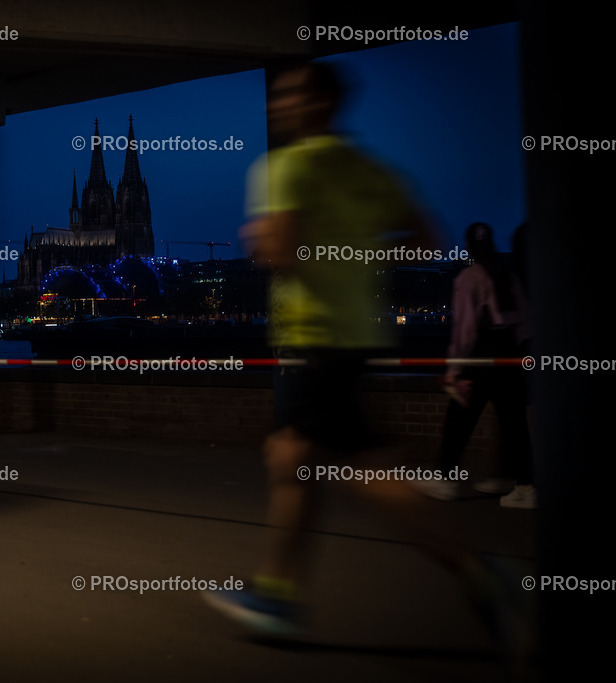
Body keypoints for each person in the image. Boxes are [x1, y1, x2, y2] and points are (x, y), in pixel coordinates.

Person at [201, 61, 530, 671]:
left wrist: (264, 239)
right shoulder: (373, 170)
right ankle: (276, 595)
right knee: (292, 459)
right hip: (358, 338)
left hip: (315, 338)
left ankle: (482, 575)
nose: (280, 104)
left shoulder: (286, 166)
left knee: (360, 474)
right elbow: (429, 240)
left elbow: (278, 252)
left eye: (292, 94)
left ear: (319, 103)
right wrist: (361, 256)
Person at [413, 222, 536, 508]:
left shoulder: (469, 277)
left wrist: (454, 370)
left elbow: (465, 330)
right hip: (508, 353)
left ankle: (445, 477)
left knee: (459, 416)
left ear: (468, 247)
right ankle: (521, 483)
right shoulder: (508, 276)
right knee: (513, 422)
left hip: (482, 354)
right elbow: (525, 321)